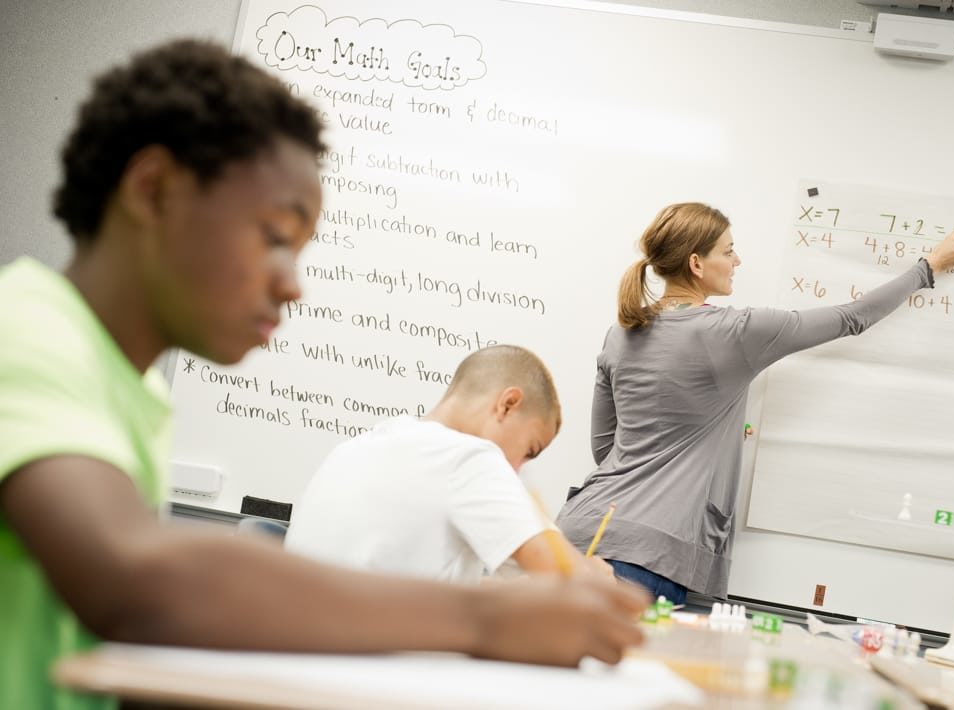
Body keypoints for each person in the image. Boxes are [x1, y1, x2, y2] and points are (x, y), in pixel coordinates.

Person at [0, 40, 647, 710]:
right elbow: (129, 580)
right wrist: (485, 619)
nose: (293, 287)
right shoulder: (25, 333)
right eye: (276, 237)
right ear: (153, 190)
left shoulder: (136, 388)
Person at [556, 202, 954, 604]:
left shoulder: (621, 333)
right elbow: (853, 317)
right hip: (644, 556)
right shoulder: (736, 331)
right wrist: (929, 268)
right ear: (696, 263)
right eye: (729, 250)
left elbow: (605, 449)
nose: (737, 261)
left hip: (574, 534)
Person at [287, 345, 610, 582]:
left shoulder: (363, 444)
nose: (517, 469)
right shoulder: (469, 458)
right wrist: (592, 572)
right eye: (529, 450)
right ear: (507, 405)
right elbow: (570, 582)